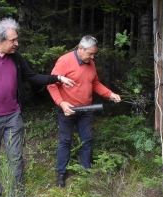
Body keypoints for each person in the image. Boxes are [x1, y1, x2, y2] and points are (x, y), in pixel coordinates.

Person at [0, 17, 76, 197]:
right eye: (13, 40)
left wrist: (58, 78)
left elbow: (33, 77)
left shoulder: (16, 58)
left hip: (13, 117)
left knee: (16, 160)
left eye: (16, 39)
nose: (17, 43)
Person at [47, 35, 121, 187]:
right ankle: (61, 173)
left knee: (87, 140)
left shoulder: (90, 63)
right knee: (65, 141)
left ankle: (85, 171)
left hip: (86, 109)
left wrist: (110, 94)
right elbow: (51, 84)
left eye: (94, 54)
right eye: (90, 54)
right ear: (80, 49)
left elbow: (95, 83)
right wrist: (61, 103)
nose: (92, 57)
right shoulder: (64, 61)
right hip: (67, 110)